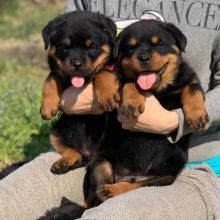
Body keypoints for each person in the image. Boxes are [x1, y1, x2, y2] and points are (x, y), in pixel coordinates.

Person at [0, 1, 220, 219]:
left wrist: (175, 120)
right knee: (6, 202)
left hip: (189, 165)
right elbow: (67, 57)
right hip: (102, 154)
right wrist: (73, 95)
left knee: (111, 215)